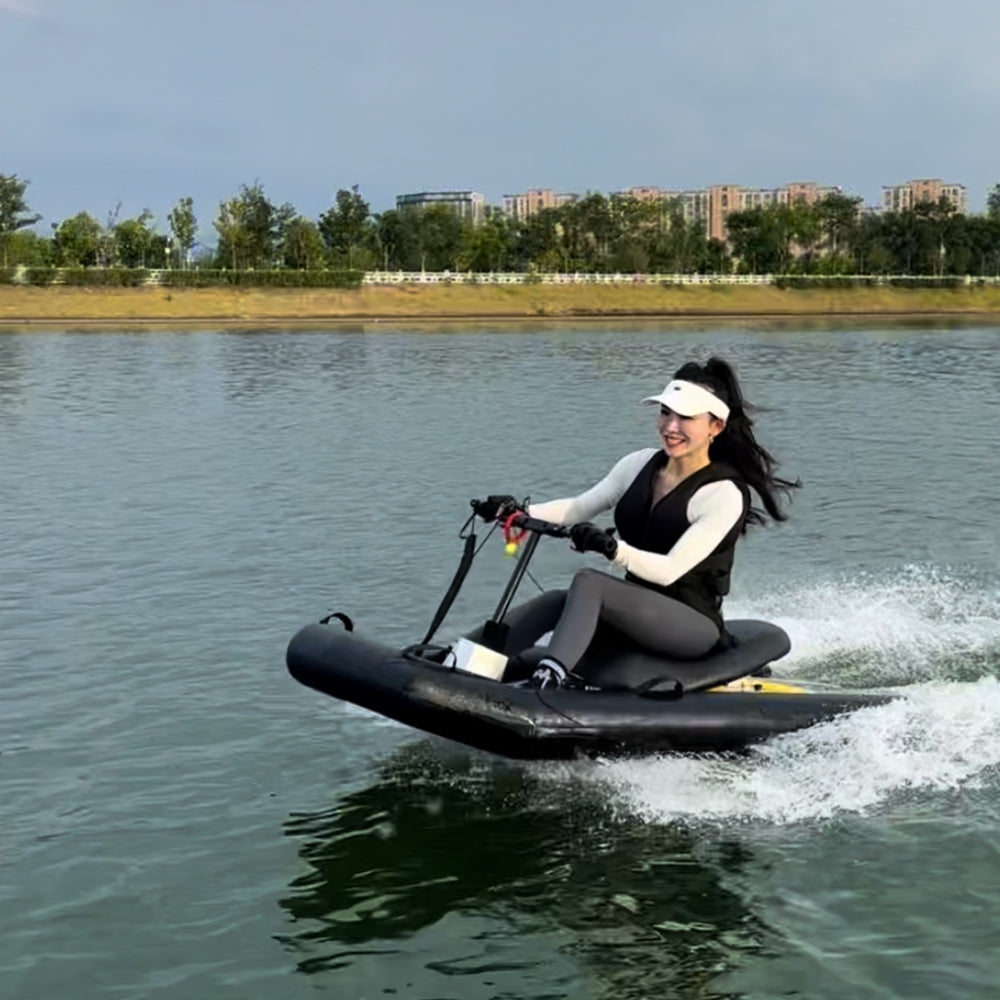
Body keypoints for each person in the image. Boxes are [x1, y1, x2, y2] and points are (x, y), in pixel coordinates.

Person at [480, 357, 798, 689]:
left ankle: (546, 682)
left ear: (715, 427)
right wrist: (515, 510)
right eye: (665, 413)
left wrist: (612, 548)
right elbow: (578, 508)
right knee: (557, 601)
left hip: (691, 626)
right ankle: (465, 658)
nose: (670, 427)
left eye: (685, 418)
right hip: (634, 611)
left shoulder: (723, 493)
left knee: (589, 583)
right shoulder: (638, 464)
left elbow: (669, 570)